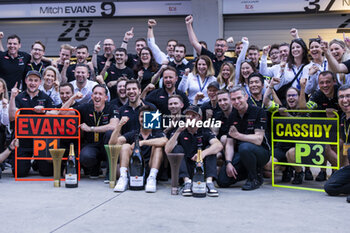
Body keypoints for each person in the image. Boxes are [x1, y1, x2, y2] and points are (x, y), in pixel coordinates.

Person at [217, 86, 270, 190]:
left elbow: (258, 140)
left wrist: (238, 136)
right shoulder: (233, 115)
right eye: (233, 99)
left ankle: (254, 179)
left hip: (261, 153)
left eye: (239, 98)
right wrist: (228, 163)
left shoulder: (258, 112)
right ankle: (250, 171)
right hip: (242, 154)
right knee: (222, 181)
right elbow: (230, 143)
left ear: (246, 97)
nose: (236, 101)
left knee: (244, 146)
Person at [62, 84, 119, 178]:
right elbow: (63, 113)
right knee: (85, 157)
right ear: (92, 96)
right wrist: (73, 98)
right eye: (95, 93)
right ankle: (95, 167)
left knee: (110, 133)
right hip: (91, 145)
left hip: (106, 145)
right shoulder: (85, 107)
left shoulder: (112, 107)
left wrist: (90, 128)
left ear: (106, 97)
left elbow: (113, 126)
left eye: (100, 94)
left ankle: (110, 171)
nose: (97, 96)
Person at [165, 105, 223, 197]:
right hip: (185, 168)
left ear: (199, 118)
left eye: (193, 115)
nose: (190, 118)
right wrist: (177, 132)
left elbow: (219, 145)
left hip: (201, 167)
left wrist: (203, 154)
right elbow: (167, 150)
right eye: (187, 115)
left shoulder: (205, 130)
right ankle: (187, 182)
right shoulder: (180, 130)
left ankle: (209, 182)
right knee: (177, 148)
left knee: (211, 148)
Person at [8, 70, 55, 177]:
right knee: (19, 173)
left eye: (35, 80)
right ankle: (27, 162)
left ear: (40, 82)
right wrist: (12, 97)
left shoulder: (45, 97)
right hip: (22, 140)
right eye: (30, 80)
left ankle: (37, 162)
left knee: (47, 173)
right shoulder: (19, 97)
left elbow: (55, 113)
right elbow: (11, 117)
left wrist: (44, 111)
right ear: (25, 81)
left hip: (41, 140)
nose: (33, 83)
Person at [111, 105, 168, 193]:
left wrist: (142, 142)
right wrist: (119, 125)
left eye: (147, 116)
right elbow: (113, 143)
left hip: (151, 168)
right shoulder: (134, 133)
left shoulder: (157, 132)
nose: (144, 119)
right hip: (134, 170)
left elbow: (164, 141)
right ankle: (123, 178)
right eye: (142, 116)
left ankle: (152, 178)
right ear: (138, 118)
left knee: (158, 147)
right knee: (125, 146)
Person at [324, 84, 350, 200]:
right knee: (330, 187)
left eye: (348, 96)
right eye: (341, 97)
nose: (345, 100)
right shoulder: (344, 119)